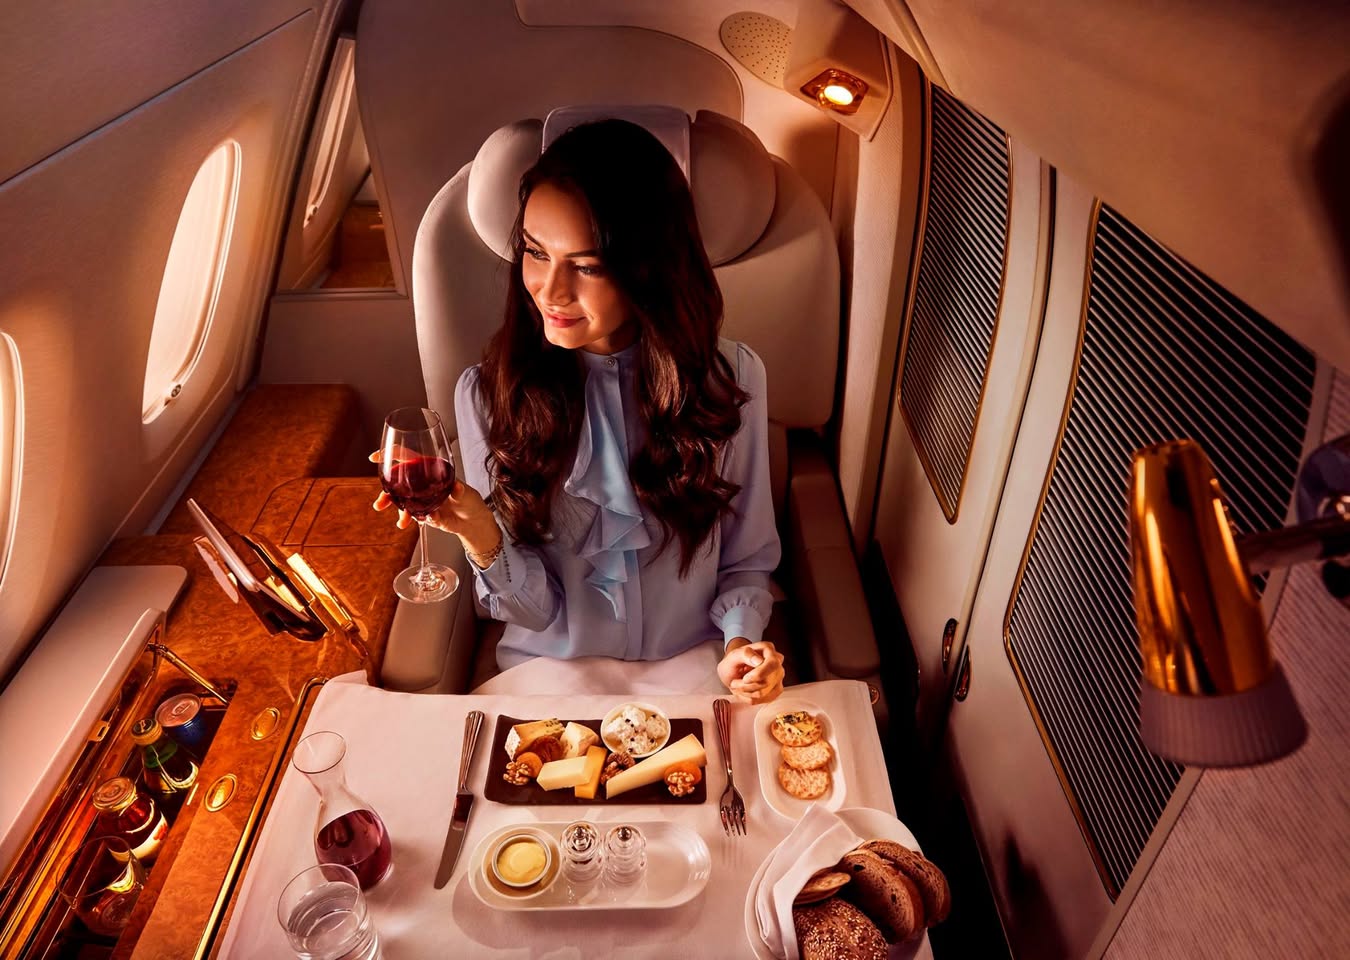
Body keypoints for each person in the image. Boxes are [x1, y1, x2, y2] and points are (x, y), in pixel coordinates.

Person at [376, 119, 785, 703]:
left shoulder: (733, 377)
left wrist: (743, 646)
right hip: (549, 682)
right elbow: (531, 612)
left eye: (587, 266)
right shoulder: (486, 397)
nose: (550, 290)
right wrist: (477, 530)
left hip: (694, 671)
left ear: (651, 267)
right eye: (536, 254)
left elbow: (746, 560)